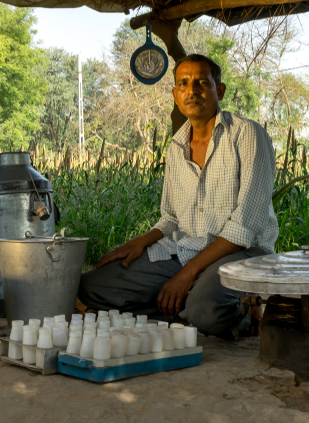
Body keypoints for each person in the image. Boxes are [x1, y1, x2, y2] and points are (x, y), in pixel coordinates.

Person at [77, 53, 278, 338]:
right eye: (183, 84)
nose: (191, 91)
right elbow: (171, 218)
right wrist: (140, 242)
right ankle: (183, 310)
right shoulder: (177, 146)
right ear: (175, 94)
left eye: (201, 83)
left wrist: (186, 275)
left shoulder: (247, 135)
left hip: (242, 252)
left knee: (206, 311)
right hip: (185, 249)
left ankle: (241, 311)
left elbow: (243, 228)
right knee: (92, 285)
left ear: (218, 90)